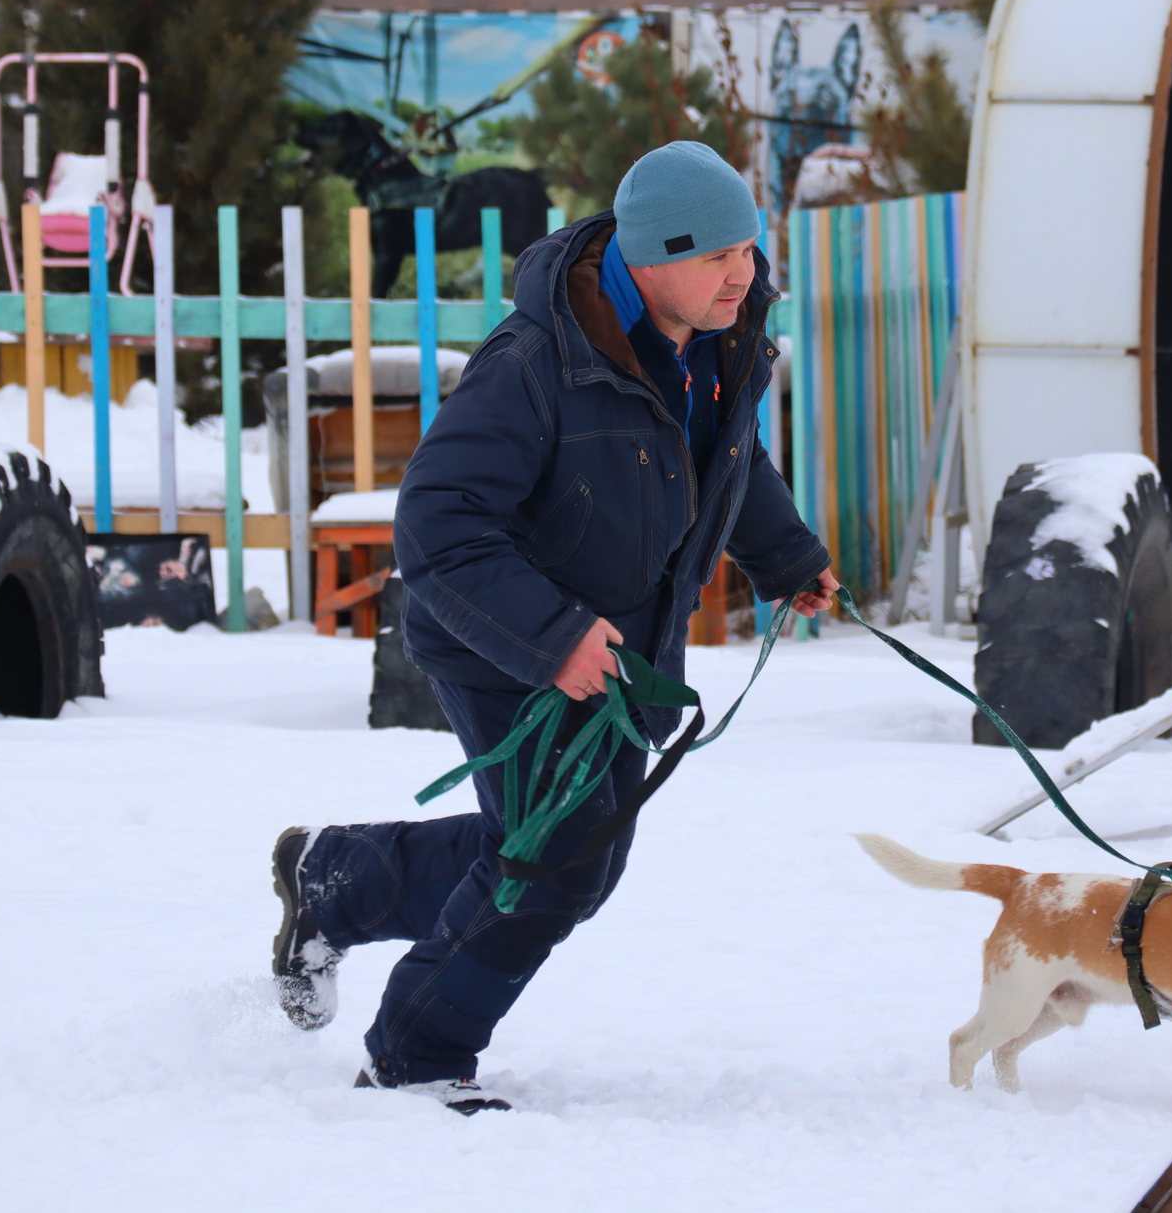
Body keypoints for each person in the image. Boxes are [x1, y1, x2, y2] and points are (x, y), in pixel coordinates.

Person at [271, 141, 838, 1114]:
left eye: (746, 248)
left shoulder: (718, 335)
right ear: (650, 257)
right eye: (715, 256)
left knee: (567, 847)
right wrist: (552, 637)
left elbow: (720, 460)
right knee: (550, 859)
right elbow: (435, 528)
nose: (741, 273)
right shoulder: (536, 362)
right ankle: (412, 1056)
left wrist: (783, 557)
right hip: (505, 643)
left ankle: (335, 879)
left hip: (616, 646)